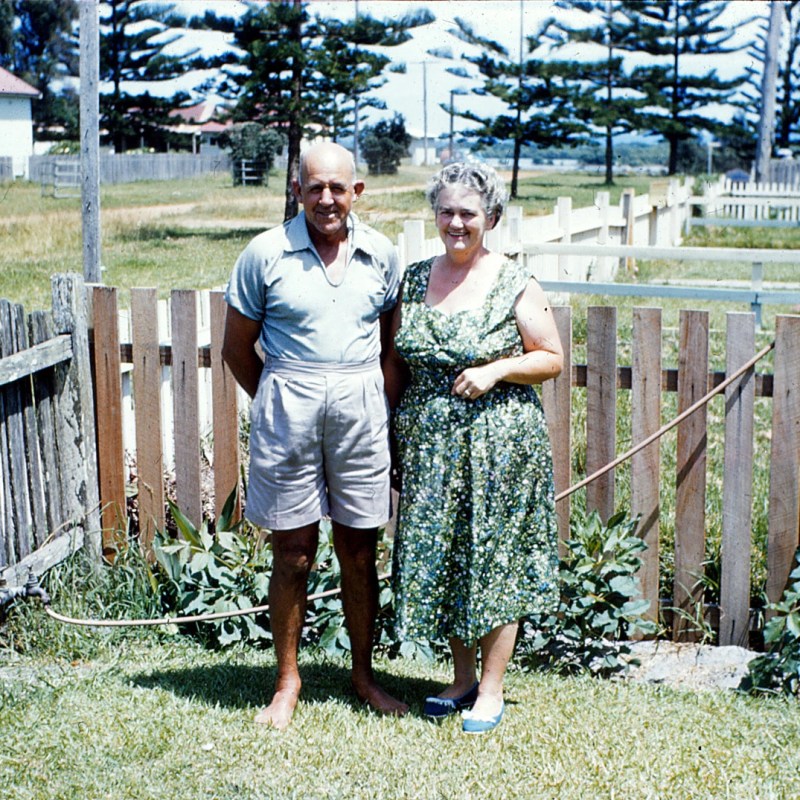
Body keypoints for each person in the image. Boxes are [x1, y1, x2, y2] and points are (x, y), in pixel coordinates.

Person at [222, 141, 408, 730]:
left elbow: (390, 350)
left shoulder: (382, 254)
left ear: (357, 192)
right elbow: (235, 348)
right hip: (289, 406)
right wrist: (283, 400)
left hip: (360, 406)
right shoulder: (265, 254)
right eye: (314, 186)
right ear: (297, 190)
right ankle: (286, 681)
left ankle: (363, 675)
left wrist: (376, 407)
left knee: (359, 550)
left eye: (338, 187)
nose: (326, 198)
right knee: (293, 553)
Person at [384, 161, 563, 735]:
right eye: (446, 211)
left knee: (495, 559)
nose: (455, 222)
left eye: (468, 212)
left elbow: (552, 357)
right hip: (429, 443)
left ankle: (490, 688)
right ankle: (460, 678)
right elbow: (395, 364)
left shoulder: (516, 281)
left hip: (499, 446)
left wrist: (497, 370)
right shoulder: (412, 279)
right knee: (446, 555)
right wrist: (389, 430)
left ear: (491, 218)